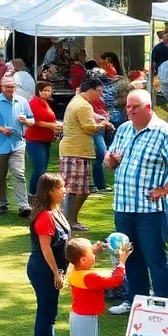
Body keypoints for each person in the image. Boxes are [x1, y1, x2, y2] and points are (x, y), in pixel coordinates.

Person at [105, 89, 168, 314]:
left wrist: (166, 189)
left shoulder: (165, 132)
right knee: (129, 255)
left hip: (150, 210)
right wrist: (111, 160)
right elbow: (110, 160)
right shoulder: (124, 129)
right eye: (128, 107)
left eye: (135, 107)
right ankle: (134, 301)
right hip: (123, 205)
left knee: (155, 258)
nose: (130, 111)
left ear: (148, 108)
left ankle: (166, 304)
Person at [64, 237, 130, 336]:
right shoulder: (90, 277)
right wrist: (122, 262)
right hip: (87, 318)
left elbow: (83, 257)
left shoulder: (74, 270)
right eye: (91, 253)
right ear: (83, 259)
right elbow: (115, 281)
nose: (94, 255)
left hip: (76, 315)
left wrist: (93, 248)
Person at [27, 173, 72, 336]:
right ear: (49, 191)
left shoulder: (57, 211)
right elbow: (46, 249)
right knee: (46, 315)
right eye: (60, 187)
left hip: (53, 269)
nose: (64, 190)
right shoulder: (45, 216)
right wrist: (56, 272)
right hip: (44, 269)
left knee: (50, 313)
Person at [0, 75, 35, 216]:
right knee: (0, 176)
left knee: (19, 173)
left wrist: (27, 122)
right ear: (2, 87)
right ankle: (3, 203)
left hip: (17, 144)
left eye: (12, 87)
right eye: (7, 87)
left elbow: (32, 119)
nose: (10, 89)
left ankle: (23, 206)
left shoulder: (22, 101)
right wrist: (1, 129)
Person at [60, 79, 107, 232]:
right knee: (78, 190)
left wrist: (97, 117)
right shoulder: (83, 105)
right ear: (92, 89)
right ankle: (70, 221)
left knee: (72, 189)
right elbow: (88, 128)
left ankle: (65, 220)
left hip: (73, 150)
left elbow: (87, 116)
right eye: (100, 91)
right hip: (76, 151)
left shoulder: (77, 100)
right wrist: (103, 124)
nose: (101, 95)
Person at [25, 81, 61, 205]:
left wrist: (55, 126)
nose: (47, 93)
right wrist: (53, 126)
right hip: (35, 141)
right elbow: (36, 122)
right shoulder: (33, 103)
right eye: (45, 90)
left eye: (49, 90)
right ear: (38, 91)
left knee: (43, 170)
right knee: (39, 170)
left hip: (46, 140)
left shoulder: (45, 103)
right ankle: (33, 196)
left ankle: (41, 196)